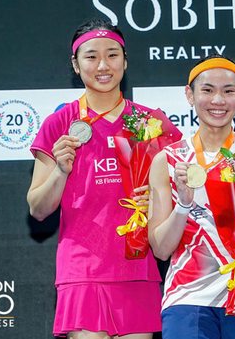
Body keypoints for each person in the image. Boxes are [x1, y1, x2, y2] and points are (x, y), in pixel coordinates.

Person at [27, 19, 162, 339]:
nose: (103, 65)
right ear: (76, 65)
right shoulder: (60, 123)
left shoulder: (150, 123)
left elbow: (175, 201)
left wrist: (157, 201)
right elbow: (38, 209)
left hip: (137, 267)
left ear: (125, 61)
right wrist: (60, 171)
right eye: (91, 56)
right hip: (82, 269)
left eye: (112, 55)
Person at [148, 56, 235, 339]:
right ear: (190, 95)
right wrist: (183, 205)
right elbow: (161, 249)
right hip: (187, 299)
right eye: (208, 90)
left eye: (228, 91)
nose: (218, 100)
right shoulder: (168, 160)